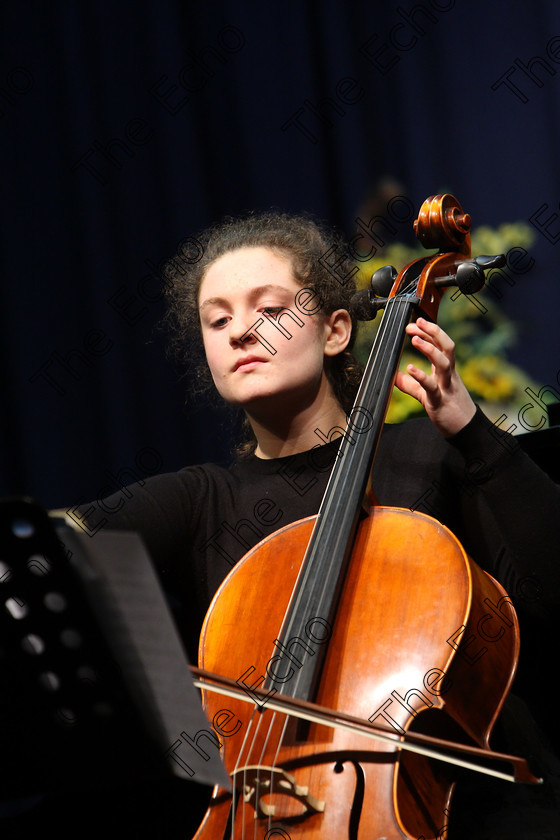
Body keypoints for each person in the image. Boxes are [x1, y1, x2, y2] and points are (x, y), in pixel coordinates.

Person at [20, 212, 560, 838]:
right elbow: (48, 545)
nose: (241, 331)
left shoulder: (430, 456)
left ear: (335, 332)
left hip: (465, 810)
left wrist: (474, 435)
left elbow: (552, 592)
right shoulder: (201, 499)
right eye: (217, 320)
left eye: (270, 310)